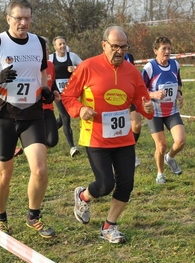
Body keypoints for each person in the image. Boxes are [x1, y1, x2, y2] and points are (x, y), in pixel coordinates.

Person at [0, 0, 58, 238]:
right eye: (18, 18)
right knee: (4, 175)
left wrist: (45, 89)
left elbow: (41, 71)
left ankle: (33, 216)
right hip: (4, 115)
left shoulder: (39, 42)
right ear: (8, 19)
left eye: (27, 18)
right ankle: (1, 217)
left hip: (32, 114)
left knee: (40, 170)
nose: (23, 23)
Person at [61, 26, 154, 243]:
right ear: (104, 45)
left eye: (123, 47)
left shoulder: (132, 72)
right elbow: (68, 96)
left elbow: (142, 99)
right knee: (105, 184)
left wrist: (147, 109)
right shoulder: (87, 67)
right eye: (115, 47)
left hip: (123, 138)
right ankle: (83, 196)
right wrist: (80, 110)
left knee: (126, 184)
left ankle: (109, 226)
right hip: (96, 136)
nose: (119, 51)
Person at [141, 36, 186, 184]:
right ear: (155, 51)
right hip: (154, 112)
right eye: (163, 49)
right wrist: (153, 94)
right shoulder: (149, 68)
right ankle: (160, 173)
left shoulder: (175, 65)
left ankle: (170, 158)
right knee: (161, 146)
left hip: (171, 110)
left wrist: (179, 94)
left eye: (169, 48)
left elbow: (178, 83)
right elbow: (139, 91)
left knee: (180, 141)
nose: (167, 52)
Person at [49, 36, 82, 157]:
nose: (62, 46)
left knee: (62, 119)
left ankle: (47, 133)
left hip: (70, 93)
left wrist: (75, 69)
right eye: (60, 44)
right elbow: (44, 71)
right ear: (55, 47)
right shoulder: (51, 58)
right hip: (57, 93)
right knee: (65, 117)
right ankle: (72, 147)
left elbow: (85, 67)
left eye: (64, 43)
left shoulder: (72, 56)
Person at [125, 52, 142, 167]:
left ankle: (129, 151)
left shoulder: (129, 56)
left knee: (136, 125)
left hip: (130, 94)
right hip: (114, 95)